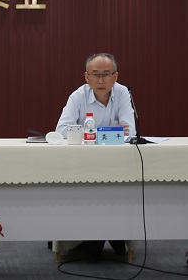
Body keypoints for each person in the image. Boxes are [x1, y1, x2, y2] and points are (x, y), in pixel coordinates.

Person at [54, 53, 135, 261]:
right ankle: (97, 238)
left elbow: (130, 133)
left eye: (106, 74)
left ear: (115, 76)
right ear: (86, 77)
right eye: (95, 74)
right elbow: (61, 131)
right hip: (82, 167)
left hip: (117, 167)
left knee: (118, 193)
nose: (100, 80)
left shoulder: (123, 93)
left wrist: (90, 133)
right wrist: (107, 132)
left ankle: (112, 234)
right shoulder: (78, 96)